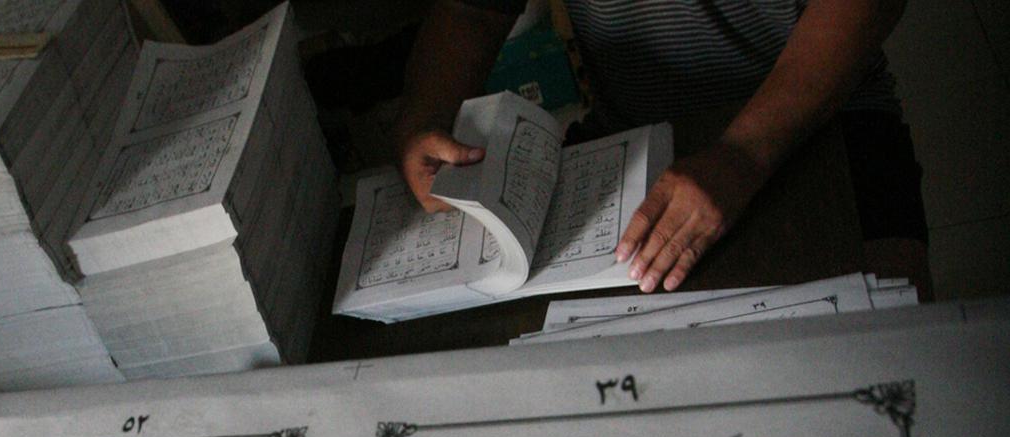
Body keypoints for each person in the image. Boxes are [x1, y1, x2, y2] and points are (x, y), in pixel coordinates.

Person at [394, 0, 932, 296]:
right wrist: (425, 117)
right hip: (634, 135)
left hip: (817, 114)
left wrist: (743, 153)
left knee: (889, 352)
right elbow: (472, 10)